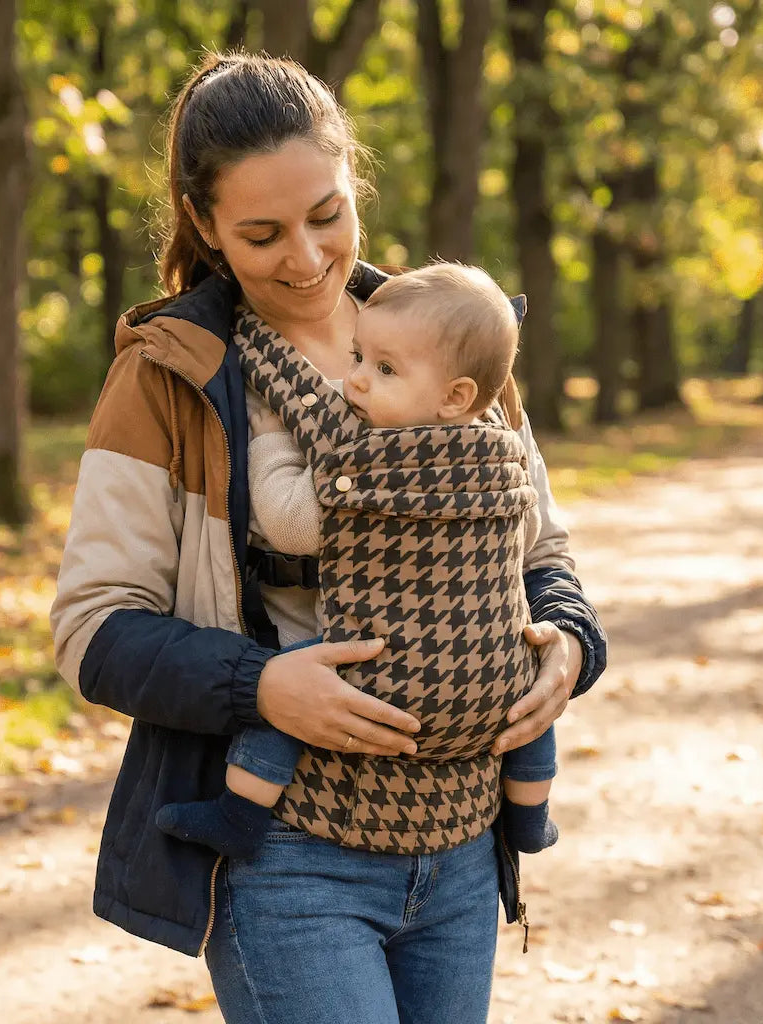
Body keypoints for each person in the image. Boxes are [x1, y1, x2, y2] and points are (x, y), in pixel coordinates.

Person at [51, 51, 606, 1024]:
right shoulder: (167, 378)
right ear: (205, 224)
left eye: (326, 216)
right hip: (282, 851)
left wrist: (567, 645)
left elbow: (542, 557)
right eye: (261, 234)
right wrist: (258, 685)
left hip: (460, 843)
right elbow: (93, 632)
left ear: (353, 183)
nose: (306, 259)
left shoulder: (451, 340)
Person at [155, 262, 559, 861]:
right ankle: (530, 815)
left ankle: (239, 812)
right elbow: (528, 539)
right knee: (530, 706)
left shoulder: (370, 458)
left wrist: (270, 436)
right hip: (489, 681)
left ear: (456, 396)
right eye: (358, 358)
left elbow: (292, 525)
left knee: (283, 685)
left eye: (386, 369)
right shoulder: (501, 449)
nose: (356, 383)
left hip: (379, 679)